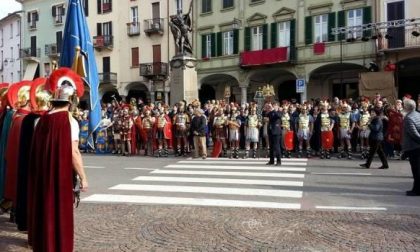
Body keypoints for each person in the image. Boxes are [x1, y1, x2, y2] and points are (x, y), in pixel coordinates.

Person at [29, 68, 88, 251]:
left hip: (42, 175)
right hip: (60, 175)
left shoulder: (40, 121)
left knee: (44, 211)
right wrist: (83, 177)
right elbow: (73, 152)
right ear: (70, 101)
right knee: (60, 213)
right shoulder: (70, 122)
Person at [401, 98, 420, 196]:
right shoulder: (418, 114)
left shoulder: (408, 118)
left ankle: (417, 190)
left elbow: (414, 134)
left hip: (414, 147)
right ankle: (415, 189)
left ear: (406, 107)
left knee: (416, 170)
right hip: (416, 147)